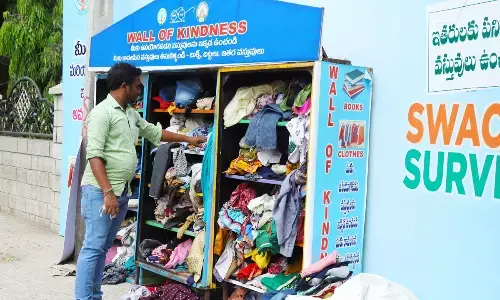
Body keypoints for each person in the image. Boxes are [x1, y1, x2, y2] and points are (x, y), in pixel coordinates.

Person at [75, 62, 206, 300]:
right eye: (137, 85)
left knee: (102, 248)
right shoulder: (102, 114)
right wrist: (107, 193)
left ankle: (94, 295)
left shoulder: (130, 113)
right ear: (124, 86)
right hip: (101, 192)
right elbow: (94, 155)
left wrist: (189, 139)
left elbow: (155, 133)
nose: (140, 90)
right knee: (93, 248)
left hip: (120, 192)